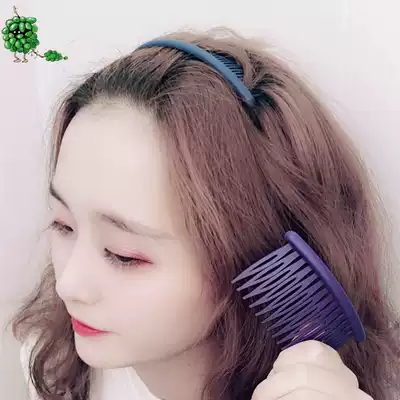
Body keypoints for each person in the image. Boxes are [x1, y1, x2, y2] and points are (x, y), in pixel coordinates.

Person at [11, 29, 400, 400]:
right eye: (63, 225)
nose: (68, 285)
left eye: (123, 255)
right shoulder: (52, 363)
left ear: (255, 258)